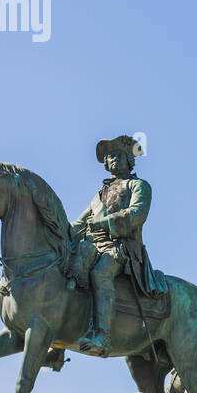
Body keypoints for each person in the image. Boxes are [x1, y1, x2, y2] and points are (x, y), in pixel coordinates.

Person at [69, 135, 165, 356]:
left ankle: (102, 335)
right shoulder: (100, 193)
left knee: (101, 274)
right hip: (95, 245)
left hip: (123, 248)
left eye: (117, 154)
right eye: (109, 155)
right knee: (70, 264)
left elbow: (137, 214)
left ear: (129, 160)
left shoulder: (139, 185)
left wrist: (104, 222)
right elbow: (80, 223)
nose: (112, 158)